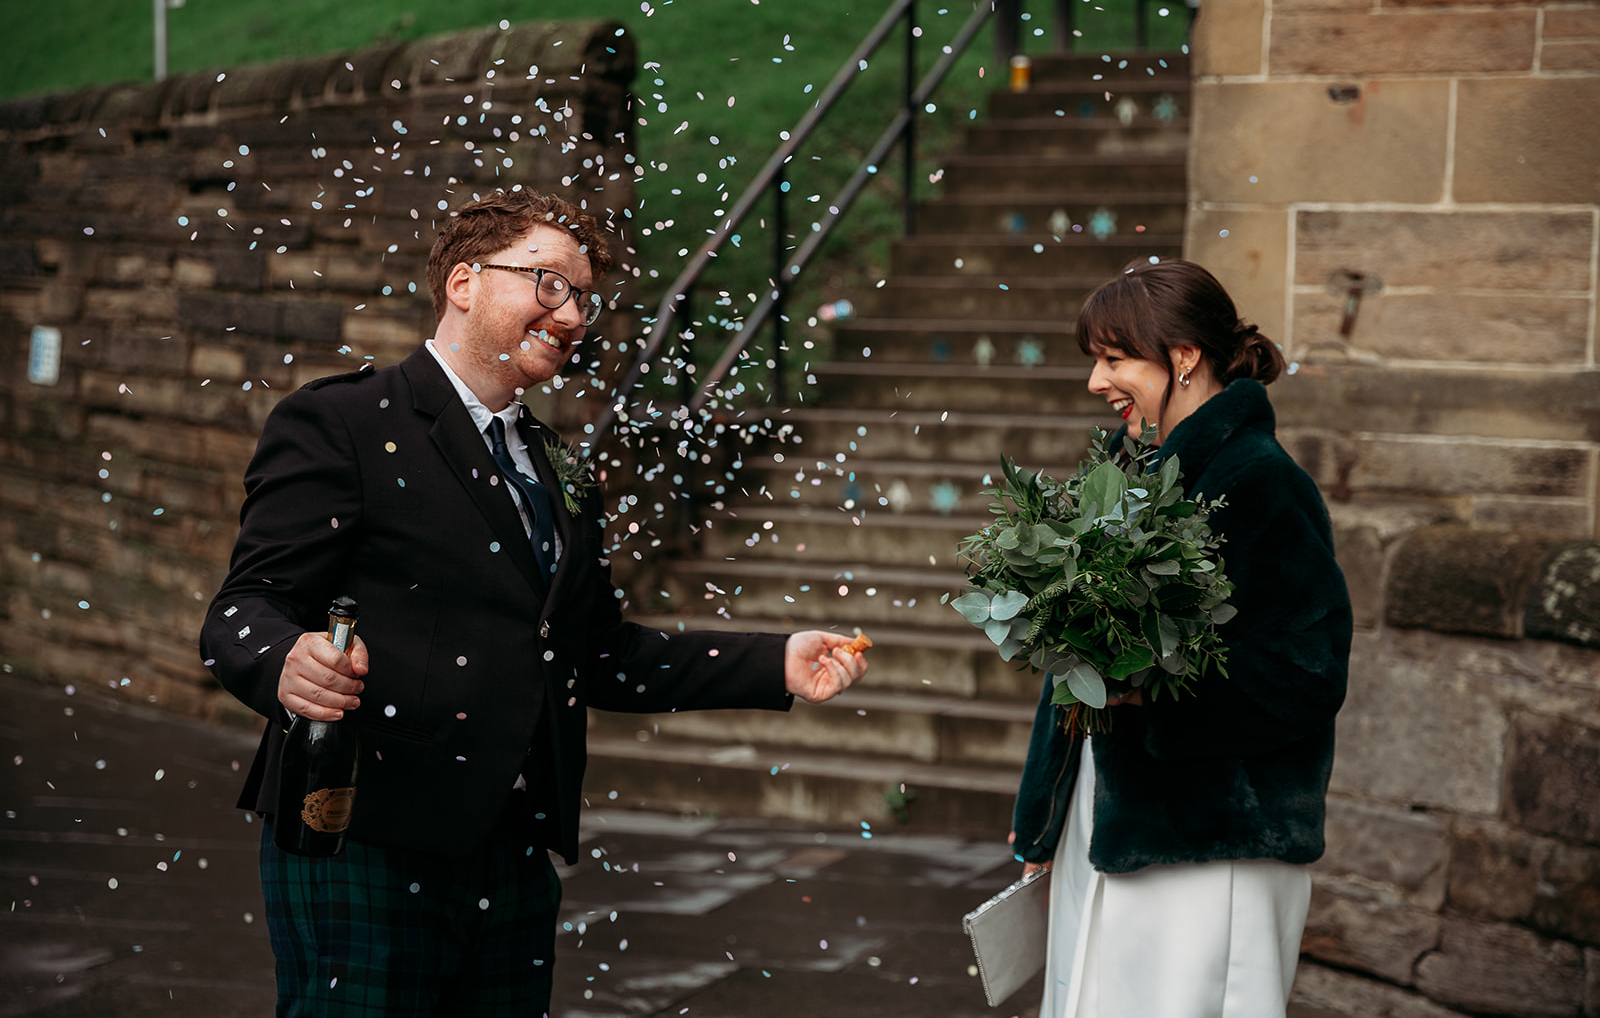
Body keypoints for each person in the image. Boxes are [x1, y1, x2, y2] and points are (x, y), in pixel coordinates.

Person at [199, 187, 868, 1017]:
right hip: (363, 832)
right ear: (464, 282)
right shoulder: (343, 421)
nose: (574, 313)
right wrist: (284, 663)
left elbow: (601, 655)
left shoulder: (556, 467)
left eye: (584, 295)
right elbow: (245, 607)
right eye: (548, 282)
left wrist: (776, 661)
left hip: (512, 855)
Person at [1008, 258, 1351, 1017]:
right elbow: (1072, 667)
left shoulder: (1263, 481)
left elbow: (1309, 674)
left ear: (1184, 357)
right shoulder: (1130, 474)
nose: (1097, 382)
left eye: (1113, 358)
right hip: (1104, 821)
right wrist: (1043, 811)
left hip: (1212, 845)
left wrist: (1153, 691)